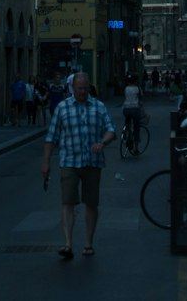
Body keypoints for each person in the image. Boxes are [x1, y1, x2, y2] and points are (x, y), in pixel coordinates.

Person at [40, 71, 115, 260]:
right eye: (79, 88)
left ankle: (89, 243)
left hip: (92, 162)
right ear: (72, 88)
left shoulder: (98, 107)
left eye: (85, 88)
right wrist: (46, 162)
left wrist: (103, 143)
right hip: (69, 161)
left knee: (91, 203)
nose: (82, 91)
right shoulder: (63, 108)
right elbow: (51, 137)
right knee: (67, 202)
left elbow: (110, 130)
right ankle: (68, 244)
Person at [121, 76, 142, 150]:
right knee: (136, 127)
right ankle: (136, 148)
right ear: (135, 82)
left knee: (127, 121)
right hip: (135, 109)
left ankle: (126, 132)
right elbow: (140, 98)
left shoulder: (126, 88)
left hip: (126, 109)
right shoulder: (137, 88)